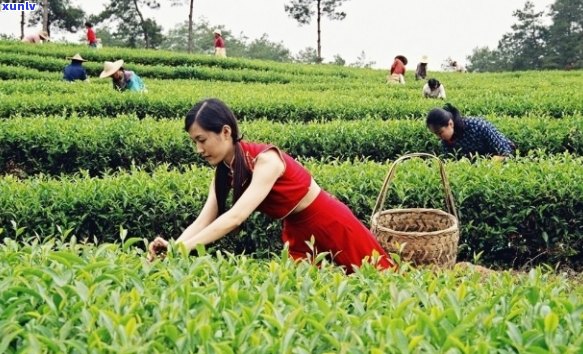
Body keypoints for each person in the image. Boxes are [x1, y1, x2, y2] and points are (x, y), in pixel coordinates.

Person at [148, 98, 395, 273]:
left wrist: (181, 250)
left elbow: (236, 217)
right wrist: (173, 247)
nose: (198, 150)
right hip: (297, 231)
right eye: (194, 142)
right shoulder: (225, 172)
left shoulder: (266, 161)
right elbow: (203, 221)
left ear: (225, 132)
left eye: (201, 140)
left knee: (379, 278)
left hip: (329, 221)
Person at [426, 103, 516, 159]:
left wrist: (492, 162)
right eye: (435, 134)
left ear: (450, 124)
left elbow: (507, 153)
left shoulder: (477, 126)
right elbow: (449, 160)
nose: (438, 137)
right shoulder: (445, 141)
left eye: (440, 132)